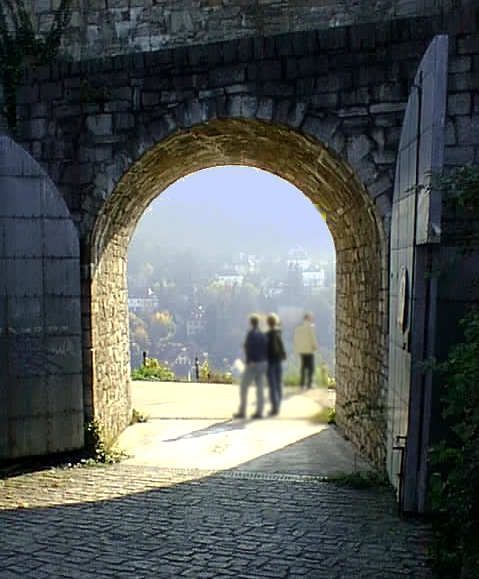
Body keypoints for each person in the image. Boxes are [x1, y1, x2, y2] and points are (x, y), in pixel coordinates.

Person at [233, 314, 267, 419]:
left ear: (251, 323)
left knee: (244, 387)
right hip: (262, 363)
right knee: (260, 388)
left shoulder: (251, 334)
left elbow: (248, 348)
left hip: (253, 363)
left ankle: (242, 411)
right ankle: (260, 412)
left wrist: (250, 360)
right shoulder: (262, 334)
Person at [265, 313, 287, 416]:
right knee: (278, 384)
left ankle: (275, 408)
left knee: (272, 385)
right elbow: (281, 347)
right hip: (278, 360)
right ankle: (278, 405)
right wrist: (283, 356)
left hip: (270, 362)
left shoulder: (267, 335)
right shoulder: (278, 334)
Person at [293, 313, 319, 389]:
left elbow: (296, 340)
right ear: (307, 319)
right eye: (310, 318)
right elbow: (313, 339)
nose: (312, 319)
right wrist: (316, 347)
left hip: (301, 350)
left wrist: (295, 349)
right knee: (310, 367)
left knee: (303, 367)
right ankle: (309, 384)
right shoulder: (310, 328)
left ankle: (302, 384)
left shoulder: (298, 328)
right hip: (309, 350)